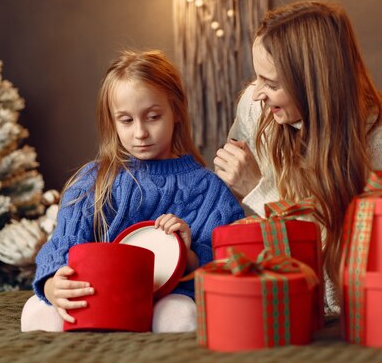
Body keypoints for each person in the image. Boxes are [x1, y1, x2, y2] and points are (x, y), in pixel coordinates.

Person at [213, 0, 382, 315]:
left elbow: (360, 258)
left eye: (272, 83)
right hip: (285, 288)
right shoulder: (254, 106)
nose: (257, 91)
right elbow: (229, 198)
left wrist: (257, 188)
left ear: (314, 85)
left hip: (357, 298)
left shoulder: (381, 134)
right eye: (257, 77)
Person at [21, 50, 244, 333]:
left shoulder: (209, 190)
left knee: (180, 314)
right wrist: (53, 282)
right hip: (98, 300)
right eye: (126, 120)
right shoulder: (92, 181)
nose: (140, 132)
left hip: (167, 300)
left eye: (152, 117)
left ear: (176, 111)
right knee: (36, 311)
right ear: (112, 122)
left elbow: (229, 267)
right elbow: (64, 242)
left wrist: (188, 254)